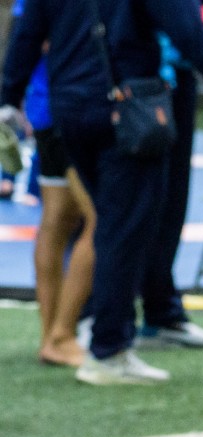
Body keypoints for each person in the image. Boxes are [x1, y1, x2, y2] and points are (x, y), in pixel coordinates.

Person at [0, 0, 203, 387]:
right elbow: (188, 32)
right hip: (124, 106)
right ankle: (107, 346)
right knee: (122, 229)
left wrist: (8, 98)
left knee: (94, 224)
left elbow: (26, 35)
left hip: (67, 108)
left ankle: (82, 333)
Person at [137, 2, 203, 355]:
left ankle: (161, 313)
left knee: (170, 203)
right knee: (120, 209)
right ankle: (93, 322)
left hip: (174, 79)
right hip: (135, 83)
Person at [11, 0, 94, 370]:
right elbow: (30, 36)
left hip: (48, 106)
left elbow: (25, 35)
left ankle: (52, 337)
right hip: (73, 107)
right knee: (102, 221)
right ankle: (63, 334)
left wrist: (10, 95)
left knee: (57, 218)